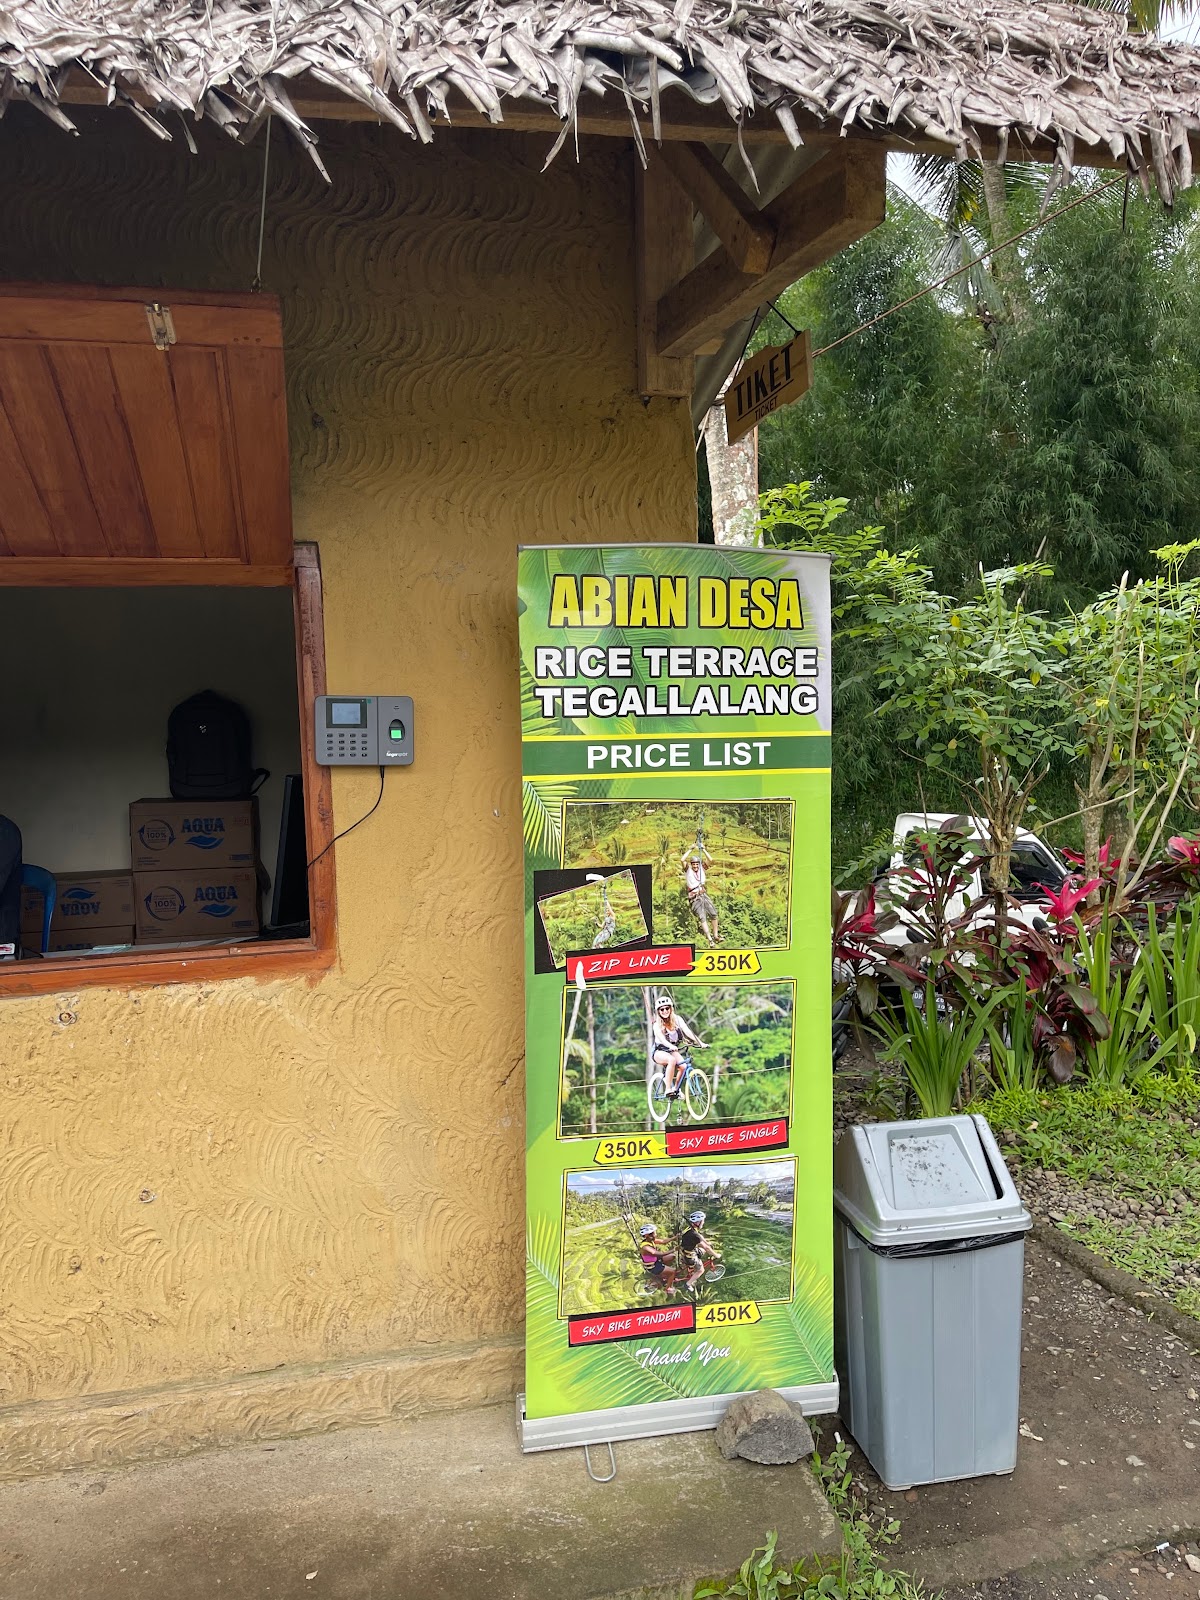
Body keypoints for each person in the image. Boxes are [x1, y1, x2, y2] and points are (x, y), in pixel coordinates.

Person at [652, 993, 706, 1099]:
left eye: (667, 1008)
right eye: (661, 1009)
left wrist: (700, 1043)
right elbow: (662, 1040)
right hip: (659, 1051)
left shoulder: (677, 1020)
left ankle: (676, 1090)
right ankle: (668, 1089)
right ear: (658, 1012)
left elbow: (688, 1032)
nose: (665, 1011)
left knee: (684, 1066)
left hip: (672, 1050)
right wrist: (670, 1046)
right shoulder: (656, 1025)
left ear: (671, 1008)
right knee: (671, 1060)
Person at [681, 846, 720, 945]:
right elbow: (682, 859)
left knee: (714, 914)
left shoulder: (702, 868)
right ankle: (710, 939)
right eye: (693, 864)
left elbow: (710, 859)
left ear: (699, 864)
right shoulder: (688, 870)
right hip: (695, 897)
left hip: (703, 894)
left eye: (696, 864)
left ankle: (716, 935)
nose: (695, 866)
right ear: (691, 864)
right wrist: (690, 849)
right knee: (702, 917)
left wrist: (703, 849)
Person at [679, 1209, 721, 1293]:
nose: (703, 1223)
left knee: (702, 1250)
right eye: (702, 1221)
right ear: (698, 1222)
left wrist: (707, 1242)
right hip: (690, 1256)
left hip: (686, 1250)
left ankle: (693, 1266)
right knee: (701, 1270)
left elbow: (700, 1237)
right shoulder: (695, 1234)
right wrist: (716, 1255)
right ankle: (688, 1284)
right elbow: (706, 1248)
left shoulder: (690, 1229)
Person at [637, 1223, 677, 1297]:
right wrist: (673, 1249)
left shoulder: (650, 1241)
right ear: (647, 1235)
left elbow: (663, 1241)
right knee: (673, 1272)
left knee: (672, 1256)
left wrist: (675, 1237)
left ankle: (663, 1273)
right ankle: (668, 1289)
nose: (655, 1235)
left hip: (656, 1260)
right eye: (654, 1233)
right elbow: (659, 1254)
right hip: (653, 1266)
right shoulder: (645, 1247)